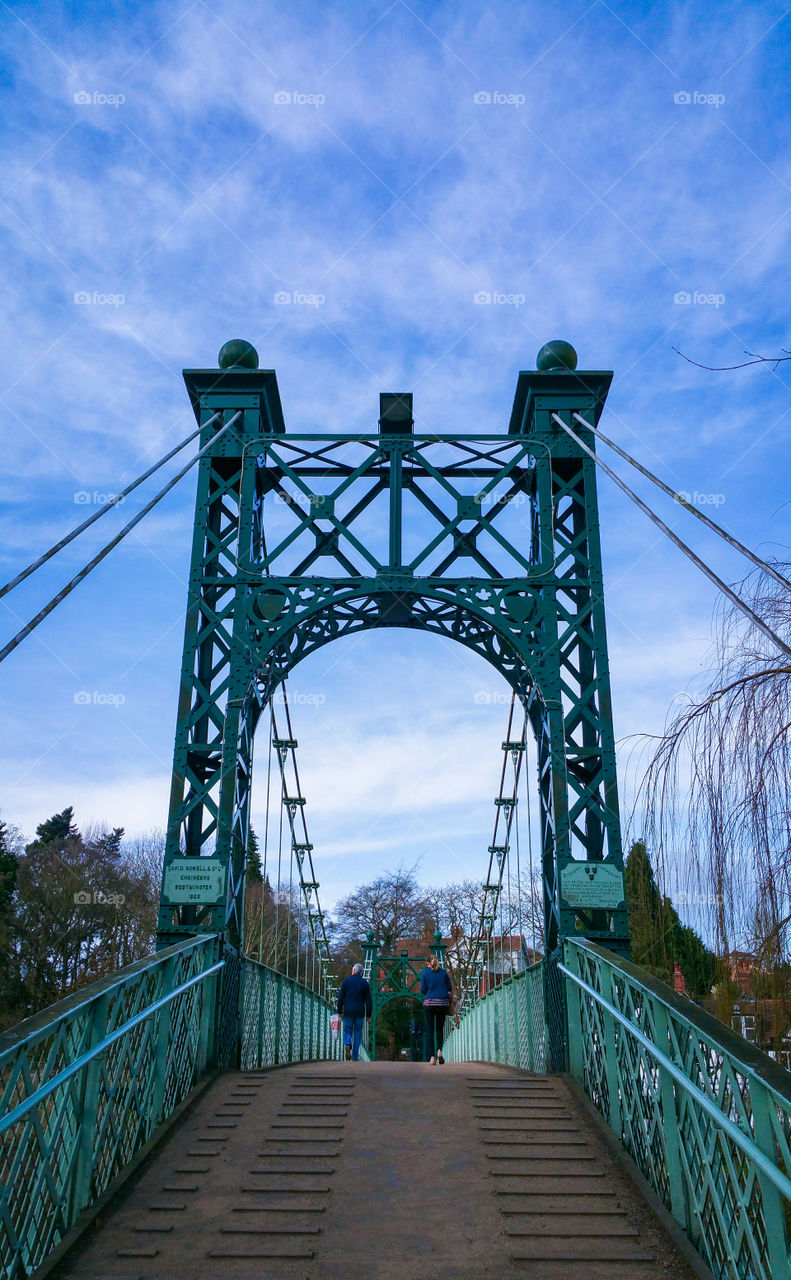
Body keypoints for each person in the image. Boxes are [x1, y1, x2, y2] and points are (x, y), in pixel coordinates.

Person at [419, 953, 453, 1065]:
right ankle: (439, 1051)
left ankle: (432, 1058)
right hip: (442, 1004)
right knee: (439, 1030)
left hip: (429, 1004)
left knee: (429, 1031)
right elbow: (449, 988)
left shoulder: (425, 973)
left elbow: (422, 989)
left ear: (427, 963)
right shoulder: (443, 973)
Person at [337, 962, 372, 1061]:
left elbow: (340, 998)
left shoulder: (346, 981)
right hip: (360, 1012)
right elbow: (369, 1001)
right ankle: (355, 1057)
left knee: (348, 1030)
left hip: (348, 1011)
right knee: (357, 1033)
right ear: (361, 973)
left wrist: (340, 1011)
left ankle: (348, 1043)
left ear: (353, 971)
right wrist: (369, 1014)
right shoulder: (365, 983)